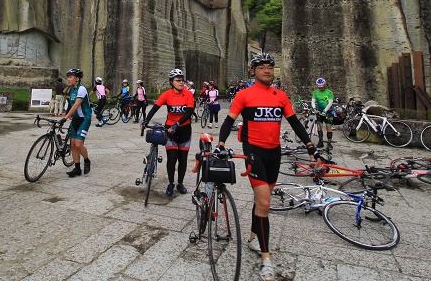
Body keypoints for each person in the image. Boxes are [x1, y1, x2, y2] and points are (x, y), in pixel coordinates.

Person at [215, 53, 320, 281]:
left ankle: (254, 237)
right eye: (261, 67)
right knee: (264, 203)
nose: (267, 70)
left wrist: (311, 147)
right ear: (253, 71)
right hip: (254, 152)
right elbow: (228, 121)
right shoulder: (244, 95)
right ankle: (266, 258)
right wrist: (221, 144)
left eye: (270, 67)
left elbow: (294, 123)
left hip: (275, 153)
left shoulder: (280, 96)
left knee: (261, 202)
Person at [141, 69, 194, 196]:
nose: (181, 82)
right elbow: (155, 108)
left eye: (182, 80)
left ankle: (180, 183)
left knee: (183, 159)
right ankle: (171, 183)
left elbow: (189, 112)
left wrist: (178, 124)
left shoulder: (188, 94)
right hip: (169, 129)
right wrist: (145, 121)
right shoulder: (167, 94)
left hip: (184, 129)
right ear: (171, 82)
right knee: (172, 158)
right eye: (178, 80)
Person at [61, 68, 92, 177]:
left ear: (77, 79)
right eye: (68, 77)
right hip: (75, 119)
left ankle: (87, 160)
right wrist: (67, 114)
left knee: (78, 144)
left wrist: (65, 117)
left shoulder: (82, 89)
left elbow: (76, 105)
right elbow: (70, 103)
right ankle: (77, 168)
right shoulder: (71, 90)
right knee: (73, 145)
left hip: (84, 119)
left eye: (70, 77)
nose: (68, 79)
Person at [311, 77, 335, 150]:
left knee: (328, 127)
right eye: (319, 87)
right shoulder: (315, 92)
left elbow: (330, 103)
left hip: (328, 112)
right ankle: (320, 141)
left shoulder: (329, 92)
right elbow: (313, 101)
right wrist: (314, 109)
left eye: (322, 87)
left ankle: (329, 143)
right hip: (319, 111)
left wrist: (325, 111)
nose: (321, 88)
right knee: (319, 126)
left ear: (324, 85)